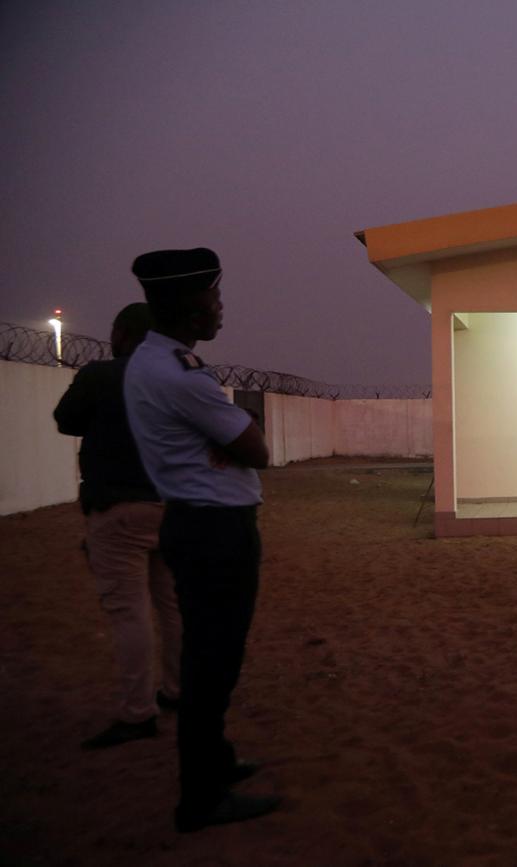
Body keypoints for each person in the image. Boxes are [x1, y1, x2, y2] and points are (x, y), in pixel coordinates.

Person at [123, 247, 279, 832]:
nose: (220, 310)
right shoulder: (179, 375)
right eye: (213, 300)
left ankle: (215, 763)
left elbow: (240, 440)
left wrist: (232, 436)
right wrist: (237, 434)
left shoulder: (154, 363)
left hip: (200, 524)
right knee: (214, 661)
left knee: (211, 656)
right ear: (190, 309)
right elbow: (256, 447)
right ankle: (202, 796)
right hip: (215, 531)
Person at [53, 302, 183, 750]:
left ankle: (137, 711)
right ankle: (177, 690)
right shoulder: (175, 377)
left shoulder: (100, 375)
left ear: (124, 334)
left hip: (118, 508)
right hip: (171, 505)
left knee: (129, 610)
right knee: (172, 606)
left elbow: (65, 420)